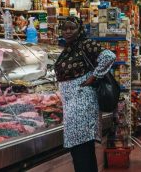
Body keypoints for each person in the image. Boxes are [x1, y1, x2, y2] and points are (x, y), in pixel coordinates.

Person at [54, 16, 116, 172]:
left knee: (80, 148)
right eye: (65, 28)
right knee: (83, 149)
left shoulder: (85, 44)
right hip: (72, 102)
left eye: (72, 28)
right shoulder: (69, 48)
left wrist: (94, 76)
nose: (68, 31)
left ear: (79, 29)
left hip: (82, 100)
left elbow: (109, 56)